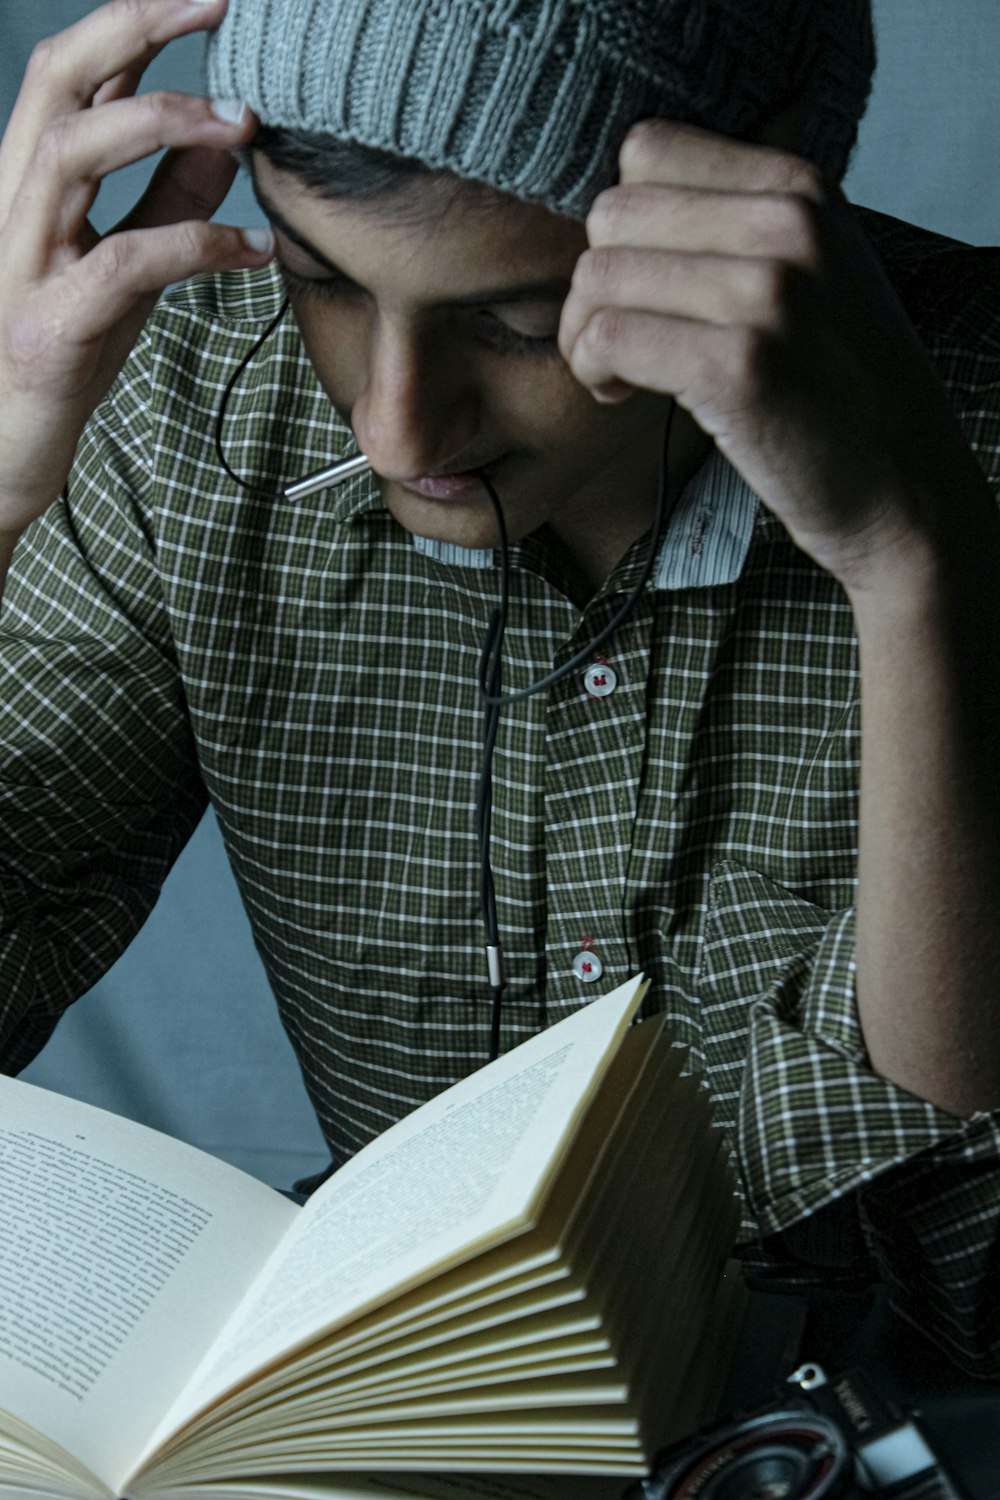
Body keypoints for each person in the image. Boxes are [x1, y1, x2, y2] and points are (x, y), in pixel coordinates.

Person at [1, 0, 999, 1379]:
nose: (397, 425)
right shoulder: (189, 397)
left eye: (521, 324)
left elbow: (980, 1289)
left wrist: (914, 567)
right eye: (322, 281)